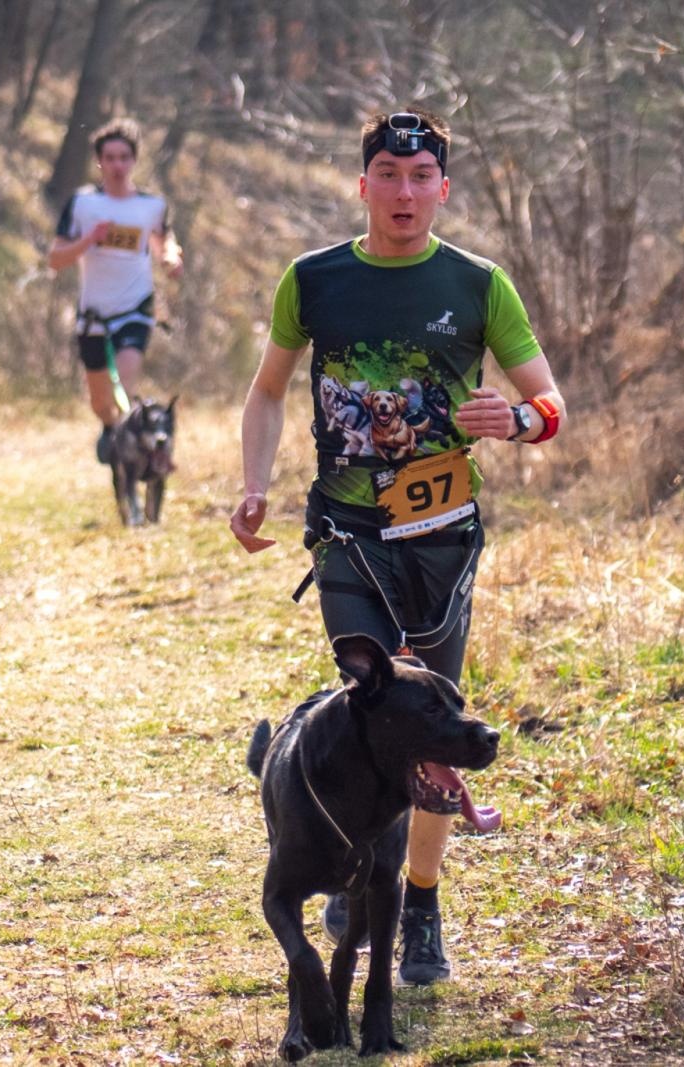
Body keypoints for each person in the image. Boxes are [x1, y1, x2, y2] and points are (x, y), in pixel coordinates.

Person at [229, 106, 565, 986]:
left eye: (422, 179)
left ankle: (418, 900)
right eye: (389, 175)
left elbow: (551, 403)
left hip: (442, 540)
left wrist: (519, 419)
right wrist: (255, 482)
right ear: (364, 184)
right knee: (372, 698)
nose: (405, 193)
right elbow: (265, 393)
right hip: (347, 532)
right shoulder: (313, 279)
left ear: (443, 190)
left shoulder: (479, 282)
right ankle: (357, 870)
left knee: (432, 724)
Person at [48, 118, 184, 462]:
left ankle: (130, 453)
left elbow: (163, 240)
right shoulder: (82, 205)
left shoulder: (151, 206)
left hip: (135, 307)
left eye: (124, 157)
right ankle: (112, 428)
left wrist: (170, 258)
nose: (117, 165)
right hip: (93, 313)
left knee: (123, 385)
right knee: (100, 401)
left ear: (134, 160)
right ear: (99, 162)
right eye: (110, 158)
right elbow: (55, 258)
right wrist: (89, 240)